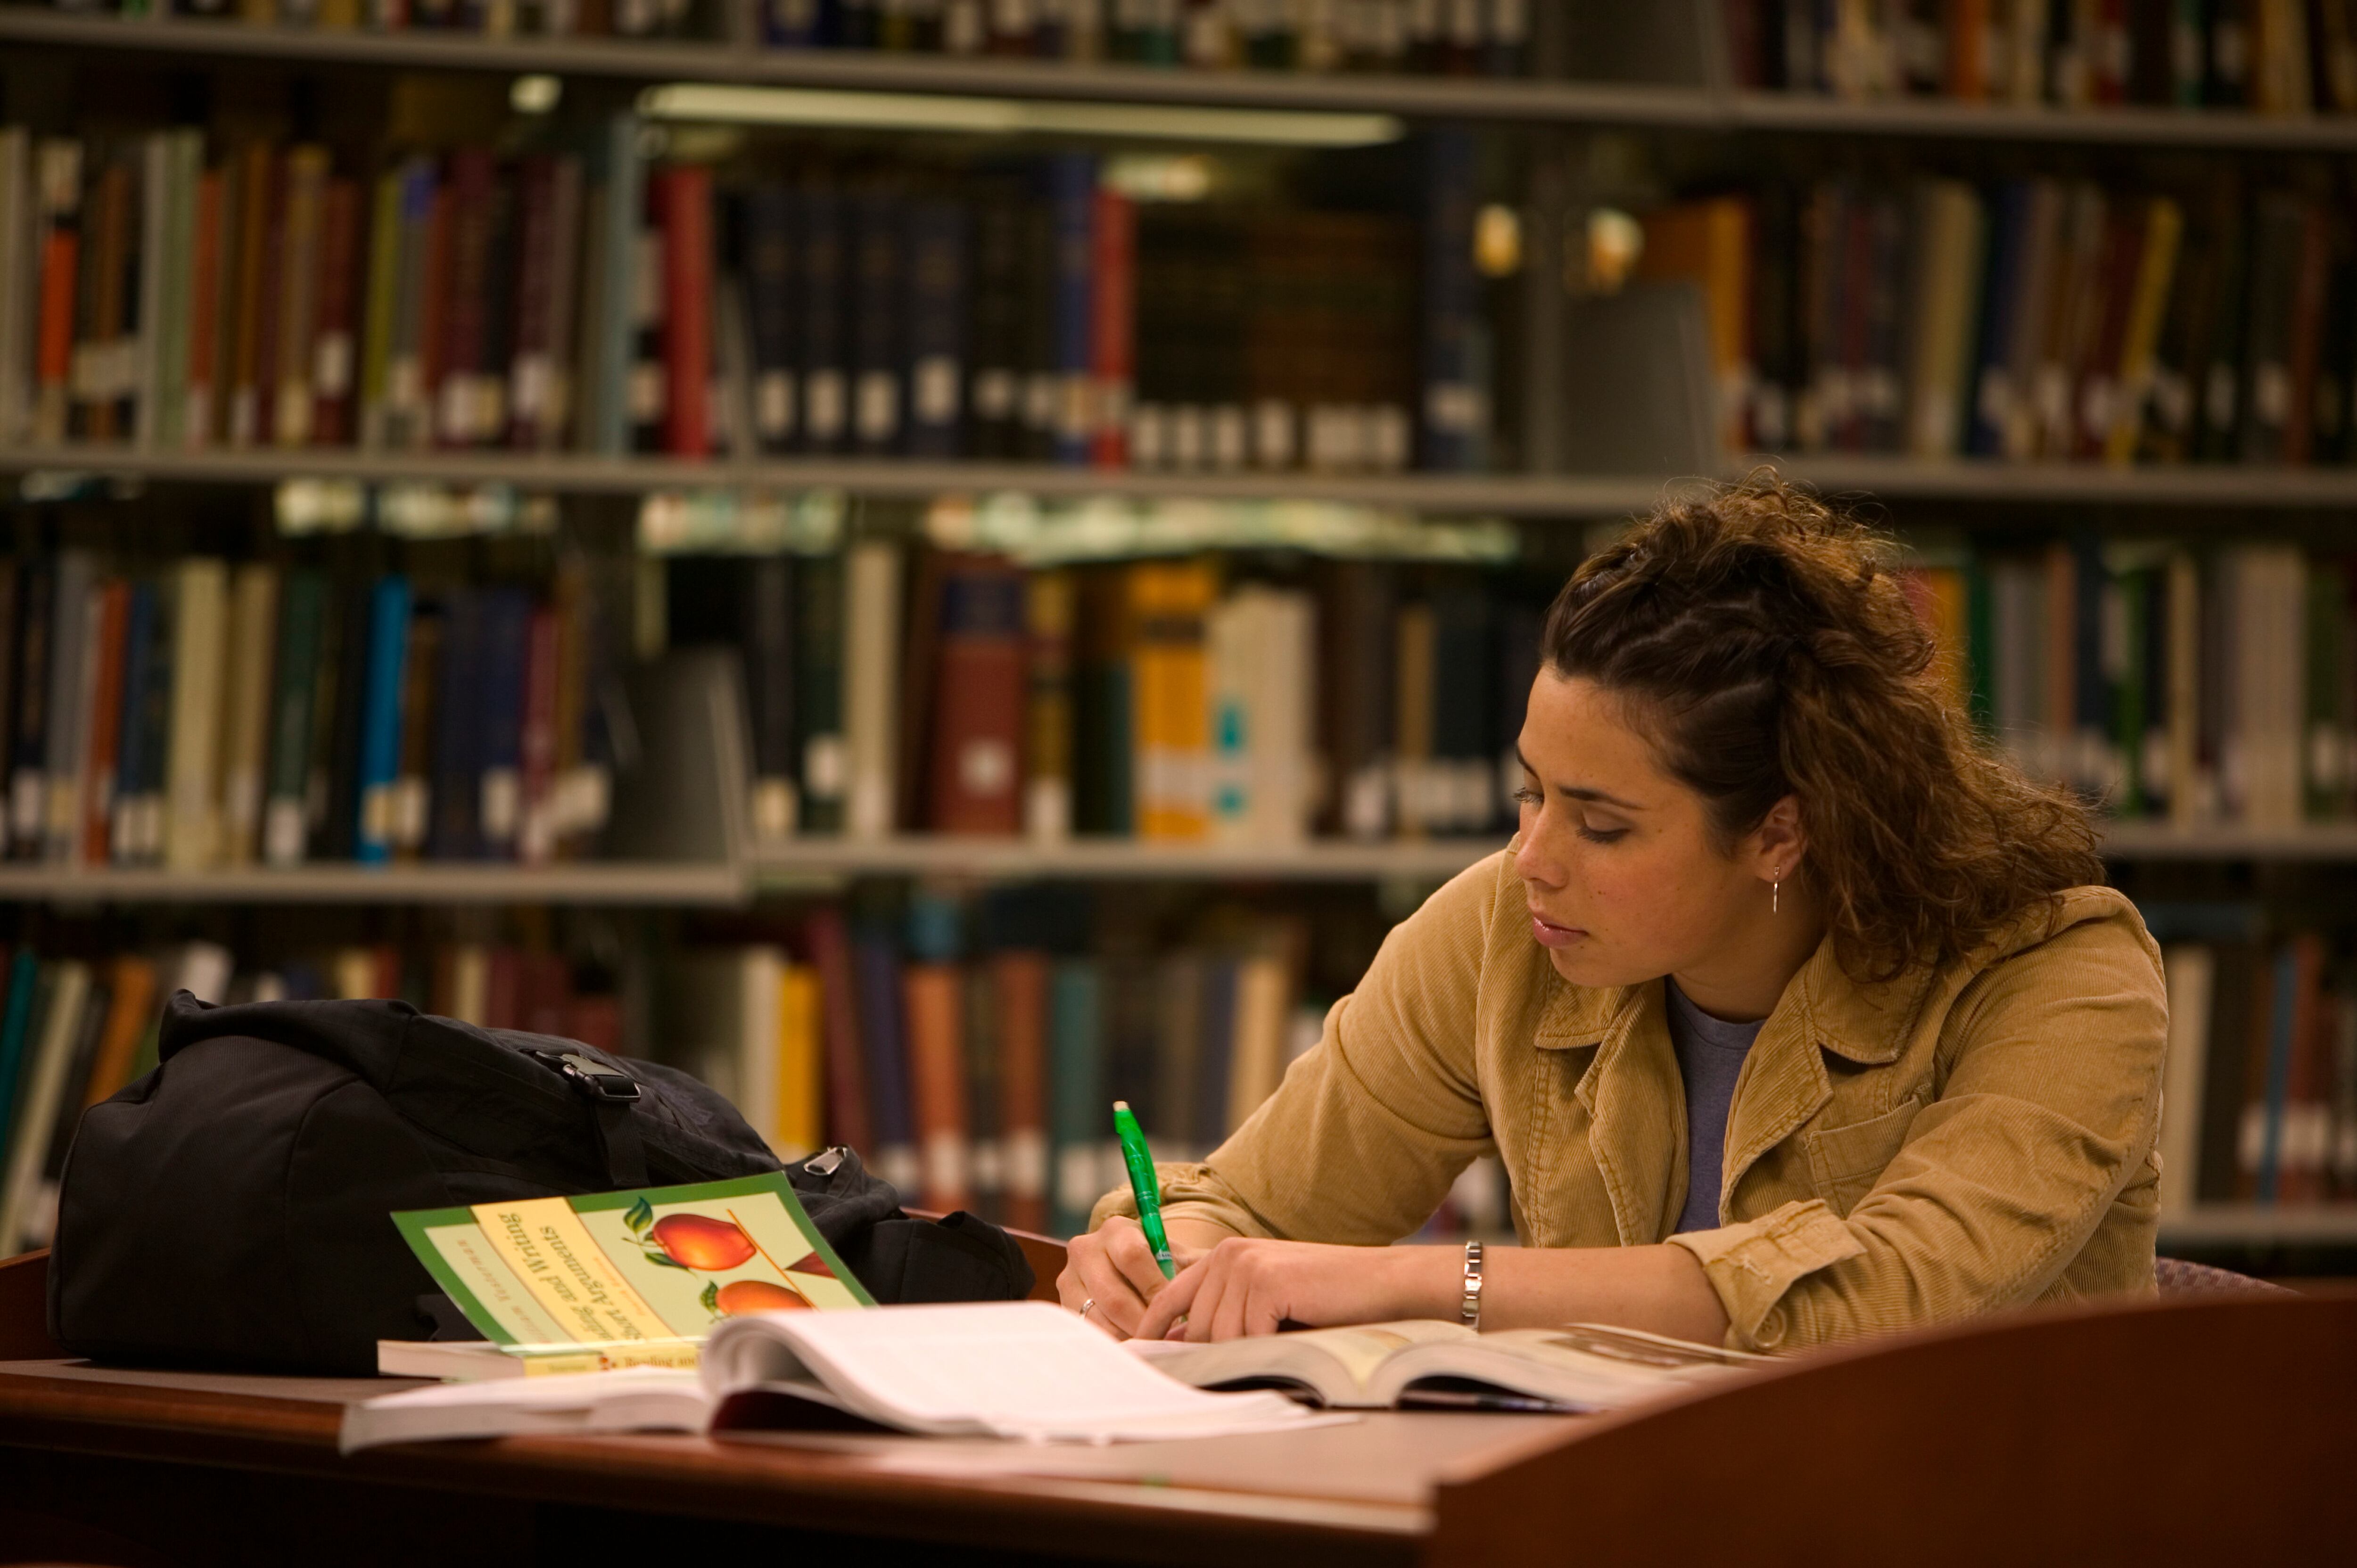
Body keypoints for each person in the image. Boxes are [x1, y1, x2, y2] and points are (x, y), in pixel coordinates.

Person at [1061, 476, 2167, 1354]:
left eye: (1601, 825)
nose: (1530, 859)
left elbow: (1883, 1293)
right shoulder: (1506, 929)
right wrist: (1166, 1251)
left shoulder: (2061, 971)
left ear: (1782, 831)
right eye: (1529, 791)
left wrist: (1420, 1277)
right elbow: (1248, 1201)